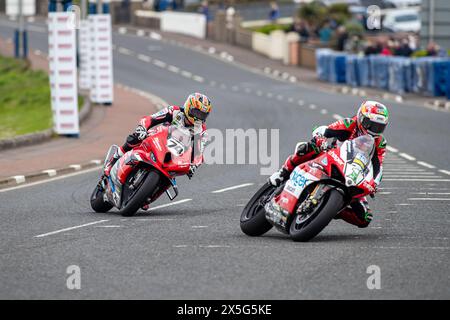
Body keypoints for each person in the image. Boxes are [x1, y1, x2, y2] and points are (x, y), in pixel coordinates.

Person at [269, 101, 389, 228]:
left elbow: (378, 166)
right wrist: (321, 138)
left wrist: (374, 183)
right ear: (361, 117)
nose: (373, 130)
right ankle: (283, 172)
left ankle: (331, 209)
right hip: (330, 157)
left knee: (365, 218)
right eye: (370, 124)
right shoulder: (349, 123)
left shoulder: (380, 142)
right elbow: (325, 130)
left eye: (378, 127)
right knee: (309, 147)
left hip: (351, 175)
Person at [104, 93, 212, 179]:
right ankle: (114, 159)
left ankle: (148, 196)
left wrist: (194, 165)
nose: (198, 117)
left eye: (202, 115)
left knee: (175, 173)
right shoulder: (174, 111)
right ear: (189, 107)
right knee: (136, 138)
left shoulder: (201, 130)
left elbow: (199, 153)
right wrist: (143, 128)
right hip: (158, 138)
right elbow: (150, 119)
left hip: (176, 153)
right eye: (196, 112)